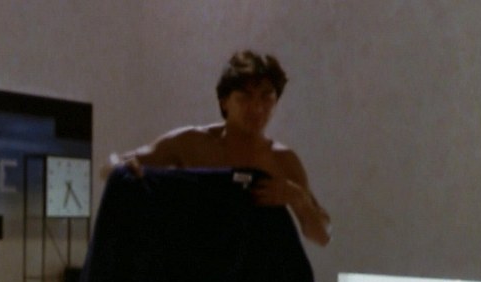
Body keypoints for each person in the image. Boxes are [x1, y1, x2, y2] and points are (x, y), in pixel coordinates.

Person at [105, 50, 331, 246]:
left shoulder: (282, 160)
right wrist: (123, 170)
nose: (257, 108)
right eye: (245, 97)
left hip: (252, 275)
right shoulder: (191, 143)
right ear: (224, 101)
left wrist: (298, 198)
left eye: (266, 97)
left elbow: (322, 236)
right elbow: (111, 167)